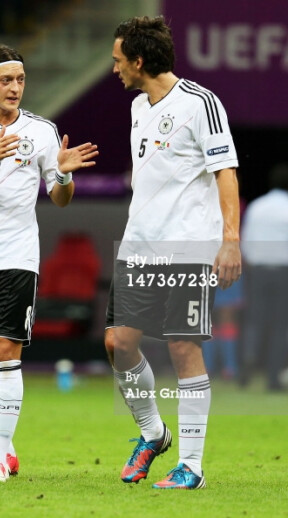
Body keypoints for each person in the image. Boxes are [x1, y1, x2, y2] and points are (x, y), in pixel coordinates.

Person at [0, 44, 98, 482]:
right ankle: (4, 449)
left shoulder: (43, 131)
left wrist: (63, 174)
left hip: (18, 254)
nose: (14, 88)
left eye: (20, 80)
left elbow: (59, 199)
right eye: (5, 80)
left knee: (7, 351)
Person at [105, 16, 241, 490]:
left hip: (187, 246)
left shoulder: (201, 104)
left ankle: (192, 467)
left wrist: (230, 240)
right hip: (140, 247)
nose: (114, 67)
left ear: (139, 61)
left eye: (119, 59)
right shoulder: (139, 106)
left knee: (183, 348)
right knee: (118, 344)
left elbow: (226, 171)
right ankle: (152, 434)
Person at [240, 163, 288, 391]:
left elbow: (245, 240)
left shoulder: (257, 207)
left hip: (258, 271)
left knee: (254, 321)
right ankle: (272, 378)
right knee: (280, 325)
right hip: (283, 270)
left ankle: (245, 367)